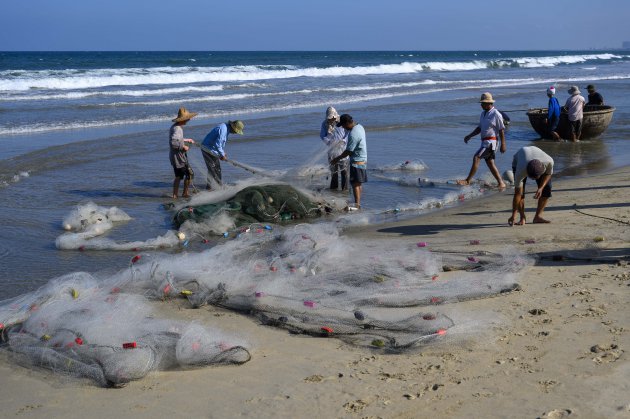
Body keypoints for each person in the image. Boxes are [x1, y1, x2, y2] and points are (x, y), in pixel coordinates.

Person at [457, 92, 507, 188]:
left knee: (476, 157)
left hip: (491, 143)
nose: (481, 105)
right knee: (490, 163)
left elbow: (501, 129)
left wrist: (503, 144)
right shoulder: (483, 114)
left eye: (483, 103)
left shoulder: (496, 114)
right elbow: (479, 128)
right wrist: (469, 136)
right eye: (481, 103)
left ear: (489, 103)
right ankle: (501, 183)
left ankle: (467, 180)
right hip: (484, 142)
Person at [509, 146, 554, 226]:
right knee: (521, 194)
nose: (533, 180)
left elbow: (548, 174)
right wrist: (513, 215)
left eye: (535, 178)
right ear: (527, 172)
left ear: (542, 171)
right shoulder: (520, 170)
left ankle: (538, 217)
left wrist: (541, 188)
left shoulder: (549, 161)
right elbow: (517, 194)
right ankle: (522, 217)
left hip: (537, 157)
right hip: (519, 159)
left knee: (547, 189)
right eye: (531, 177)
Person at [331, 114, 367, 209]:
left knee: (355, 184)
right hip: (363, 159)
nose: (343, 127)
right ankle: (358, 203)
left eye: (343, 125)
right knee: (358, 183)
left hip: (356, 161)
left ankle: (357, 205)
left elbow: (348, 151)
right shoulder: (360, 126)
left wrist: (337, 158)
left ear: (347, 123)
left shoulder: (353, 134)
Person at [200, 120, 245, 190]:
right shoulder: (223, 130)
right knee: (212, 168)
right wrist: (222, 154)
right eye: (236, 131)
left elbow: (219, 143)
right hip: (207, 149)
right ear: (233, 128)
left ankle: (213, 186)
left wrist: (222, 153)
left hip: (212, 149)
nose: (235, 133)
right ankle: (213, 187)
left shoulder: (226, 128)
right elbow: (217, 145)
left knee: (216, 169)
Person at [169, 107, 197, 199]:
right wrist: (183, 146)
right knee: (189, 174)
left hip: (175, 156)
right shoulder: (178, 129)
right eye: (187, 118)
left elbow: (177, 139)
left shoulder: (175, 127)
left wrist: (186, 139)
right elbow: (173, 142)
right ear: (183, 120)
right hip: (179, 158)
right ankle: (184, 193)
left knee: (178, 176)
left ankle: (175, 195)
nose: (188, 120)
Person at [319, 106, 348, 190]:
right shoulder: (324, 124)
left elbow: (348, 133)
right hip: (332, 151)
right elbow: (322, 136)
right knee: (334, 172)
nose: (331, 119)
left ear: (335, 116)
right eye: (329, 118)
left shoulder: (341, 121)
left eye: (332, 117)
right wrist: (329, 142)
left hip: (343, 151)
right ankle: (334, 190)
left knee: (344, 172)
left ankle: (344, 190)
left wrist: (343, 141)